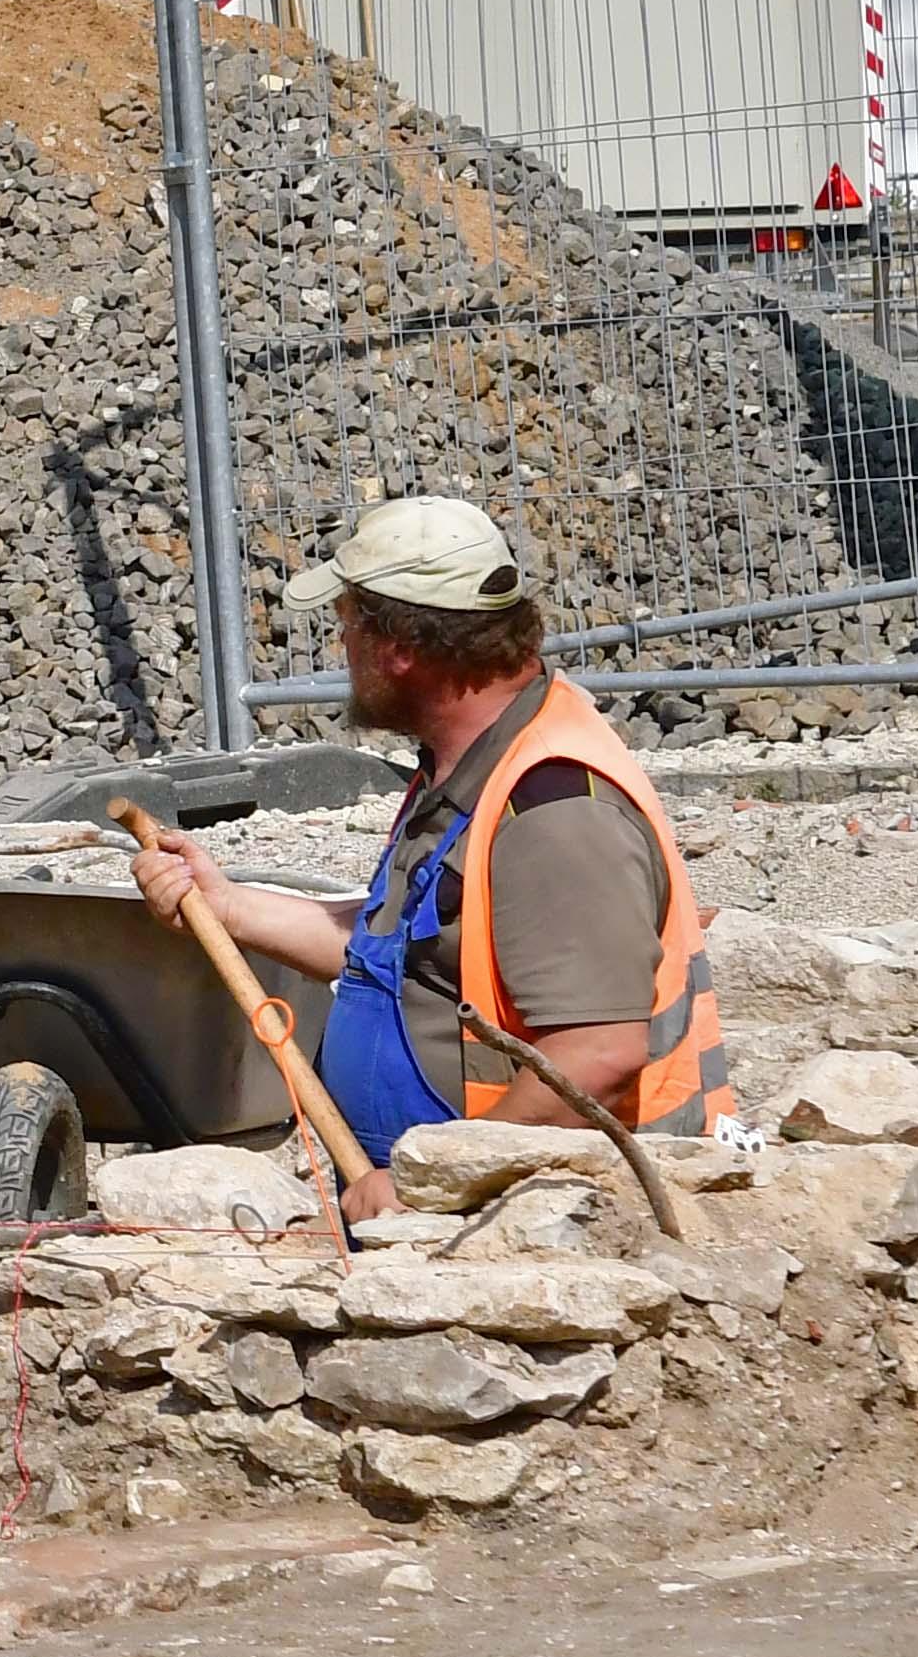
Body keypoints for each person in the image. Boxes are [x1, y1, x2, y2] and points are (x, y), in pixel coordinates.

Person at [125, 494, 728, 1217]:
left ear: (400, 649)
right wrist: (225, 906)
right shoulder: (467, 762)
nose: (339, 651)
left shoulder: (552, 807)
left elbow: (597, 1055)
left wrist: (429, 1182)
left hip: (535, 1217)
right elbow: (399, 944)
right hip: (448, 1193)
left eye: (347, 628)